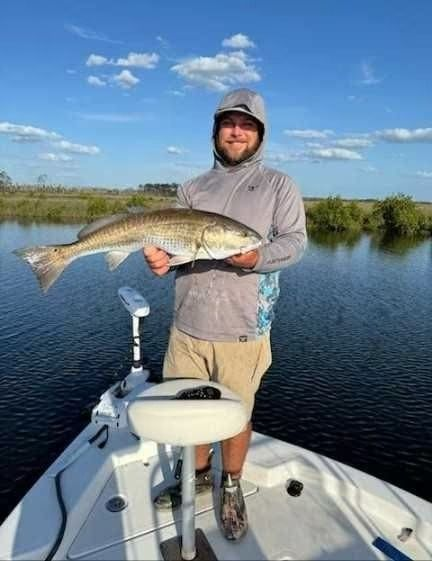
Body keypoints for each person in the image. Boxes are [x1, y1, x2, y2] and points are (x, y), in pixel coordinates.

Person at [143, 88, 307, 541]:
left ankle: (230, 483)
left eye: (247, 124)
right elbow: (174, 247)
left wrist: (257, 259)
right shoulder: (191, 188)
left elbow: (294, 242)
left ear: (260, 134)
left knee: (235, 414)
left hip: (243, 329)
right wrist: (158, 259)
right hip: (187, 325)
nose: (237, 131)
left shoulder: (279, 185)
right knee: (187, 413)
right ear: (216, 132)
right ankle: (194, 477)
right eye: (229, 123)